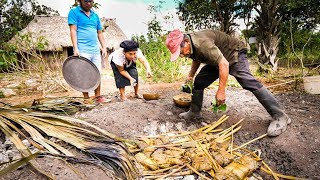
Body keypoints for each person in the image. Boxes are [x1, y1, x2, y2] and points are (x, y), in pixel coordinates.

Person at [165, 29, 291, 137]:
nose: (181, 55)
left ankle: (280, 116)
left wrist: (221, 91)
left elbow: (223, 63)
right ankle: (194, 112)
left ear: (186, 42)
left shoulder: (202, 43)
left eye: (180, 52)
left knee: (247, 81)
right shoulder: (190, 46)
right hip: (218, 58)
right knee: (199, 82)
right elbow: (197, 59)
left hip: (233, 52)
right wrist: (190, 76)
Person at [68, 0, 107, 103]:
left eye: (90, 1)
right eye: (86, 1)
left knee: (97, 74)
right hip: (82, 49)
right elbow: (73, 30)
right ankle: (86, 98)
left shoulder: (95, 15)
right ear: (80, 1)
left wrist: (104, 47)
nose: (88, 3)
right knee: (83, 74)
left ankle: (98, 97)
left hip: (95, 50)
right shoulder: (74, 12)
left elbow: (100, 33)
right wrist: (76, 48)